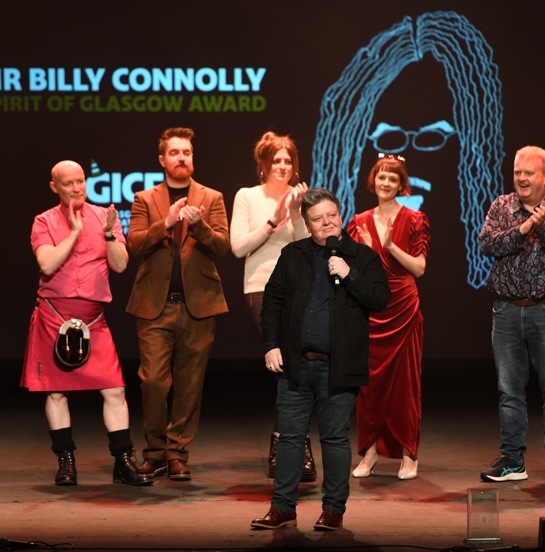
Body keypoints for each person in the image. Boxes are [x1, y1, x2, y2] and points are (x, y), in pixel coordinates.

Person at [251, 189, 391, 531]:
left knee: (335, 439)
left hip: (338, 367)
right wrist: (271, 344)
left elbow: (381, 298)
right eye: (318, 219)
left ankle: (333, 509)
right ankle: (283, 507)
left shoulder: (362, 257)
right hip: (296, 366)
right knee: (290, 439)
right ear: (306, 224)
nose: (327, 223)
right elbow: (273, 301)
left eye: (332, 215)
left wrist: (349, 273)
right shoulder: (293, 254)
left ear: (340, 216)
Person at [21, 160, 151, 487]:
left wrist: (108, 234)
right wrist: (75, 232)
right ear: (55, 187)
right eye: (69, 184)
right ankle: (66, 462)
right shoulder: (44, 221)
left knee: (115, 389)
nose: (77, 188)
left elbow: (120, 265)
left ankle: (123, 461)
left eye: (81, 181)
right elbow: (47, 263)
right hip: (54, 315)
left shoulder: (103, 217)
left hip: (93, 318)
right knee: (56, 392)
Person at [126, 127, 229, 481]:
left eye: (186, 152)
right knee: (153, 381)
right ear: (162, 159)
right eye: (174, 153)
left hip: (198, 305)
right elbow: (134, 243)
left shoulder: (211, 197)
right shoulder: (144, 198)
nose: (181, 158)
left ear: (192, 157)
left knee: (189, 384)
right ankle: (154, 451)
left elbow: (222, 246)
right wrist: (165, 223)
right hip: (154, 305)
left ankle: (177, 452)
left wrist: (199, 227)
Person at [229, 131, 314, 481]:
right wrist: (273, 220)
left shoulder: (302, 197)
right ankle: (288, 446)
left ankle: (294, 445)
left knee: (300, 367)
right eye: (276, 160)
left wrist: (296, 213)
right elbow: (237, 248)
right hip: (262, 287)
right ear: (263, 165)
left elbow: (311, 246)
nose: (283, 166)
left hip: (299, 289)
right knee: (284, 364)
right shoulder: (248, 197)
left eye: (288, 160)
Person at [347, 154, 429, 481]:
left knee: (407, 385)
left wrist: (390, 247)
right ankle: (368, 453)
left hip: (403, 307)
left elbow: (420, 268)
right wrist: (366, 251)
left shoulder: (415, 218)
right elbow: (352, 273)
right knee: (369, 386)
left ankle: (410, 455)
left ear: (401, 185)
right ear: (373, 180)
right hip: (372, 309)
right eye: (381, 176)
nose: (385, 183)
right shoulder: (358, 221)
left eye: (392, 178)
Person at [479, 145, 545, 483]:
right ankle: (513, 461)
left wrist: (543, 227)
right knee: (509, 389)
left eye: (529, 172)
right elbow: (487, 244)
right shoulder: (502, 205)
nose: (521, 178)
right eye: (517, 172)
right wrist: (523, 230)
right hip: (506, 309)